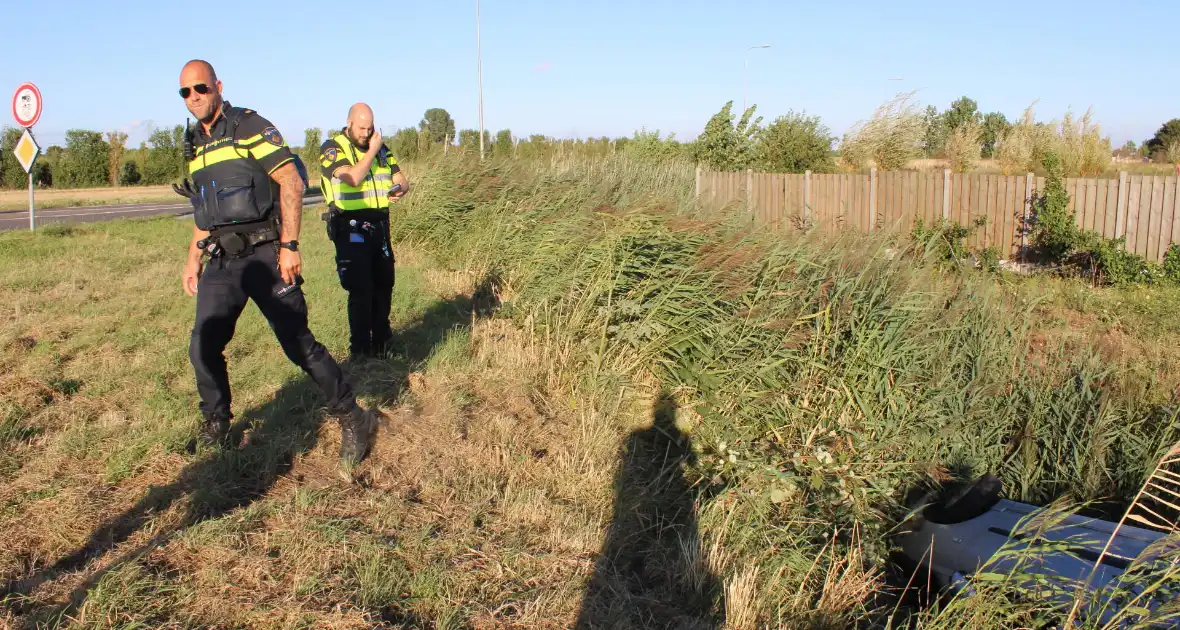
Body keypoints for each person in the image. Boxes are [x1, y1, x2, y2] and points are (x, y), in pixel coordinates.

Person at [174, 59, 380, 466]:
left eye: (200, 88)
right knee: (203, 345)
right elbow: (205, 211)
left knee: (297, 344)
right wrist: (192, 261)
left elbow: (291, 180)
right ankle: (217, 422)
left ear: (217, 85)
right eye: (185, 92)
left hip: (266, 253)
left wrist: (289, 244)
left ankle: (354, 417)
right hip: (222, 259)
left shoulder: (248, 126)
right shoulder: (195, 145)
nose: (194, 97)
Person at [318, 103, 410, 360]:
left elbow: (401, 178)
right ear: (349, 123)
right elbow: (353, 178)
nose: (366, 133)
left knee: (384, 285)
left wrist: (401, 187)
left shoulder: (380, 148)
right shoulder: (332, 148)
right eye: (361, 128)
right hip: (351, 227)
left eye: (370, 128)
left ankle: (382, 343)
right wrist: (371, 151)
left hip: (379, 226)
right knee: (361, 288)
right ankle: (359, 350)